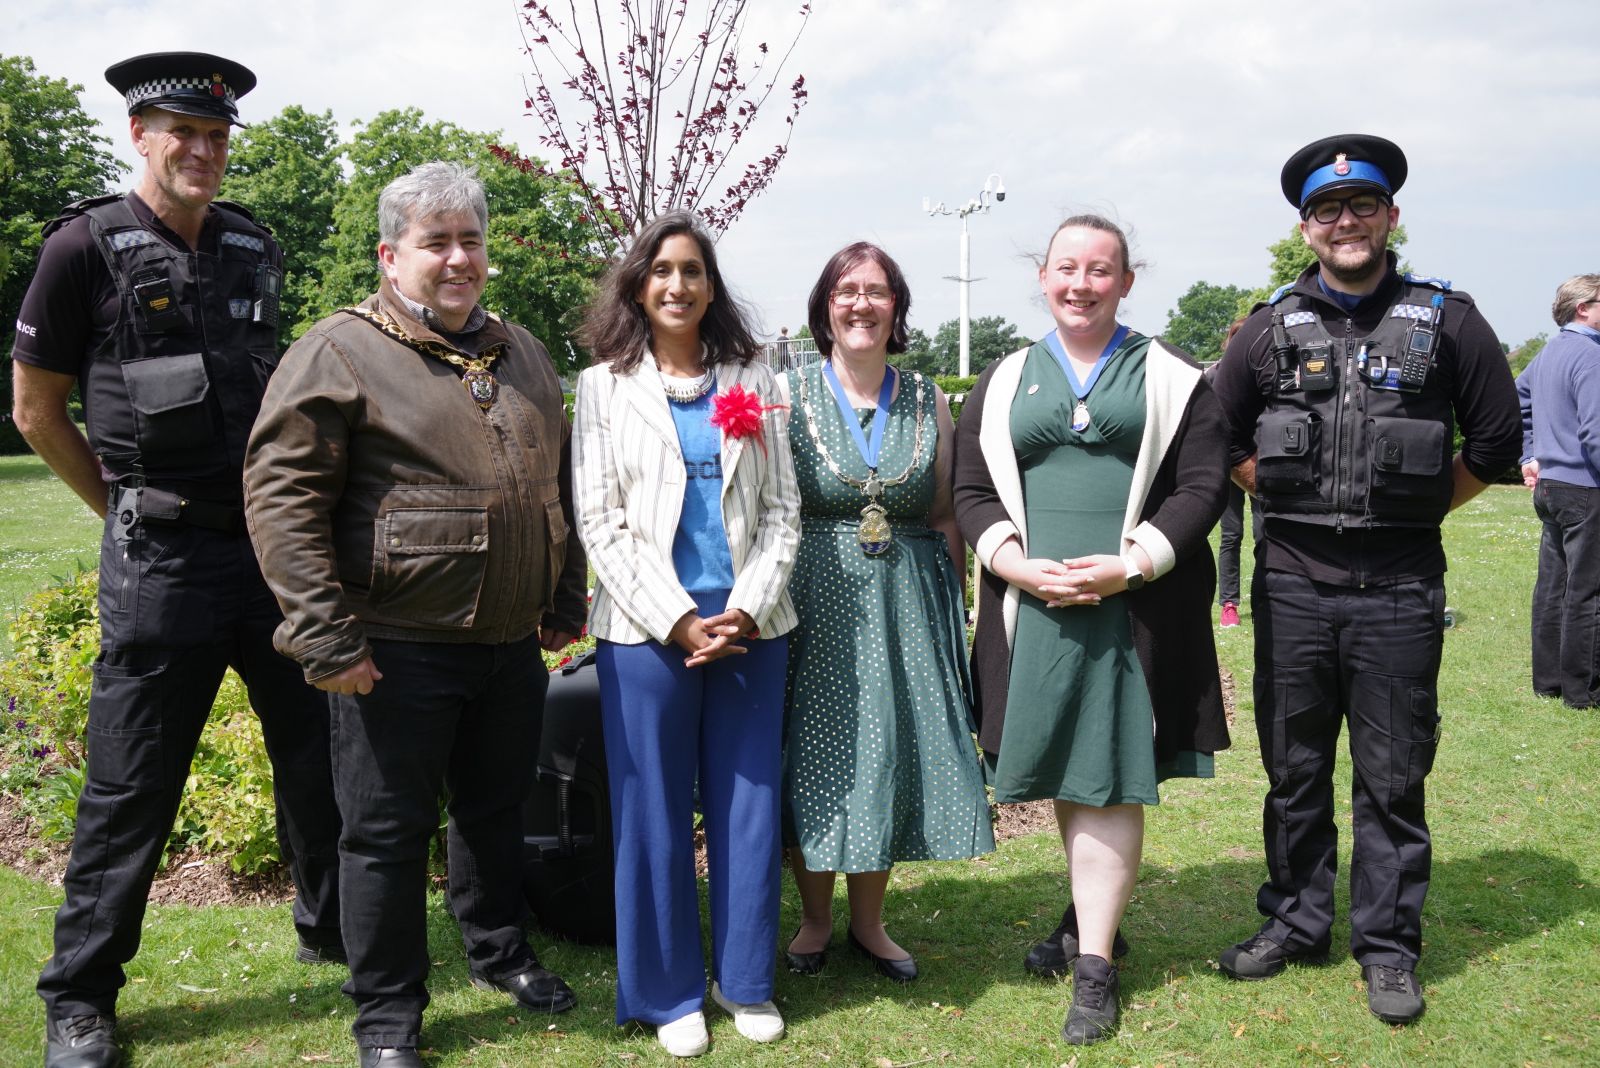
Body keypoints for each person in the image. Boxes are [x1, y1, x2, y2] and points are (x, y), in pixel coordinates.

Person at [10, 51, 342, 1068]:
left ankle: (334, 931)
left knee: (317, 753)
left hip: (268, 550)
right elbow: (34, 410)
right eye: (182, 133)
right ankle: (80, 999)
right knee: (130, 785)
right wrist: (118, 507)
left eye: (216, 134)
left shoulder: (252, 245)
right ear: (140, 136)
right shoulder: (82, 249)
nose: (203, 150)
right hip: (160, 558)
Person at [243, 161, 586, 1068]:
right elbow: (282, 501)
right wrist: (325, 638)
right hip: (391, 652)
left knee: (495, 812)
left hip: (507, 646)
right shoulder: (339, 352)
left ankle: (498, 951)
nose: (458, 258)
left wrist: (561, 596)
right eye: (436, 243)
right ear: (392, 256)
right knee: (385, 838)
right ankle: (388, 1013)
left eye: (470, 240)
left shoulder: (523, 353)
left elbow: (560, 483)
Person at [1210, 134, 1521, 1025]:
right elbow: (1220, 435)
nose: (1345, 222)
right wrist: (1269, 488)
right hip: (1295, 584)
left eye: (1362, 206)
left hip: (1399, 589)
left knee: (1392, 776)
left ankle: (1387, 947)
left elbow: (1496, 445)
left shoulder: (1448, 319)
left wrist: (1420, 510)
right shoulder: (1269, 327)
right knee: (1294, 770)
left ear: (1392, 216)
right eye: (1327, 211)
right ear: (1305, 227)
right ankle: (1298, 921)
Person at [953, 215, 1229, 1045]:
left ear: (1126, 282)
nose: (1081, 283)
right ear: (1043, 277)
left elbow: (1202, 487)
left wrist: (1131, 564)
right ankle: (1086, 919)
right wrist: (1014, 565)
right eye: (1066, 268)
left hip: (1133, 606)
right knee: (1071, 771)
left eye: (1099, 270)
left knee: (1109, 772)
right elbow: (971, 491)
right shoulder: (1004, 378)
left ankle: (1096, 968)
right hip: (1030, 609)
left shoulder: (1175, 377)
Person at [571, 211, 801, 1058]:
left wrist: (742, 606)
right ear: (639, 284)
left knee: (748, 806)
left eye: (694, 270)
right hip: (645, 631)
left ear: (711, 285)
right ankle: (668, 992)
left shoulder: (755, 376)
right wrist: (675, 617)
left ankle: (744, 981)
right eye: (662, 270)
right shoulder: (602, 387)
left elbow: (783, 511)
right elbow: (600, 520)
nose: (678, 285)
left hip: (751, 624)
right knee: (653, 813)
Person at [779, 243, 994, 985]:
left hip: (907, 597)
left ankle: (869, 924)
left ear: (896, 307)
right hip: (813, 596)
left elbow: (942, 513)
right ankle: (813, 919)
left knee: (885, 752)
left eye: (876, 291)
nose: (861, 304)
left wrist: (952, 605)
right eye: (847, 291)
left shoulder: (928, 397)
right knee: (816, 754)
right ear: (825, 307)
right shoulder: (789, 391)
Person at [1517, 274, 1600, 707]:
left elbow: (1519, 401)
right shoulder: (1591, 356)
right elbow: (1596, 433)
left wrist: (1530, 455)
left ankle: (1549, 682)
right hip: (1587, 487)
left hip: (1551, 488)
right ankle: (1584, 692)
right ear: (1583, 307)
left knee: (1553, 587)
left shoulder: (1549, 353)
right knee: (1588, 591)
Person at [1209, 319, 1254, 627]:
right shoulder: (1214, 375)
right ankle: (1229, 604)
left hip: (1262, 462)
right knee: (1232, 533)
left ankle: (1268, 599)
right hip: (1228, 465)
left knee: (1268, 534)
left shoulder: (1266, 371)